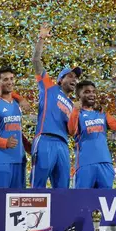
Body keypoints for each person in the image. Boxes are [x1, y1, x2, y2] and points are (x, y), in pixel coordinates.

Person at [31, 23, 80, 188]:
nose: (74, 80)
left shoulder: (73, 105)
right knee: (38, 186)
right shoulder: (49, 87)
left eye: (76, 78)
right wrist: (41, 39)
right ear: (60, 80)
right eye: (70, 76)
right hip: (45, 138)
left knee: (63, 189)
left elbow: (72, 131)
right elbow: (36, 61)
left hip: (63, 145)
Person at [69, 81, 116, 188]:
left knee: (105, 202)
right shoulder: (77, 113)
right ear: (78, 95)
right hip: (84, 164)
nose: (92, 94)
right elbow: (71, 130)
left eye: (93, 92)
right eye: (87, 92)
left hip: (105, 163)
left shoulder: (102, 113)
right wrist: (75, 110)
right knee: (80, 201)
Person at [0, 66, 24, 188]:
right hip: (1, 159)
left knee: (18, 202)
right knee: (0, 200)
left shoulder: (18, 104)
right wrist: (4, 142)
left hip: (19, 159)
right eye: (5, 79)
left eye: (12, 79)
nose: (10, 82)